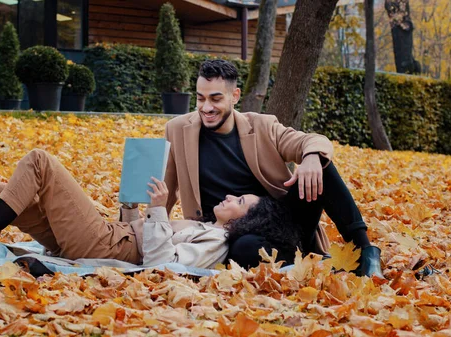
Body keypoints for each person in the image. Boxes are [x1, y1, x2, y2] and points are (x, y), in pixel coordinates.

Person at [0, 149, 293, 269]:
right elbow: (146, 235)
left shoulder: (216, 241)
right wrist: (133, 208)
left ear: (247, 221)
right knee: (2, 193)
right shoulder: (203, 224)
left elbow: (162, 263)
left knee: (39, 162)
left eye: (241, 202)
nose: (231, 198)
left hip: (108, 245)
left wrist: (159, 211)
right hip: (112, 234)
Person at [163, 59, 383, 277]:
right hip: (227, 235)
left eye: (215, 99)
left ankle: (366, 253)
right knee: (245, 249)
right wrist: (144, 229)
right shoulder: (178, 130)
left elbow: (312, 140)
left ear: (235, 96)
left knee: (320, 165)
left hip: (283, 222)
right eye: (201, 99)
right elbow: (165, 191)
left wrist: (311, 157)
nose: (206, 107)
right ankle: (304, 265)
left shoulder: (261, 126)